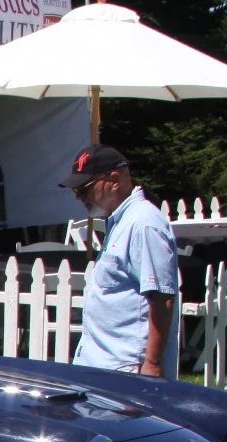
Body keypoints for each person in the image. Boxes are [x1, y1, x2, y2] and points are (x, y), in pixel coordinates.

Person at [63, 144, 178, 378]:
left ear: (114, 180)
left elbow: (161, 297)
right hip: (103, 364)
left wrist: (152, 364)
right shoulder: (121, 220)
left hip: (126, 369)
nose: (78, 196)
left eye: (84, 188)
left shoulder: (143, 223)